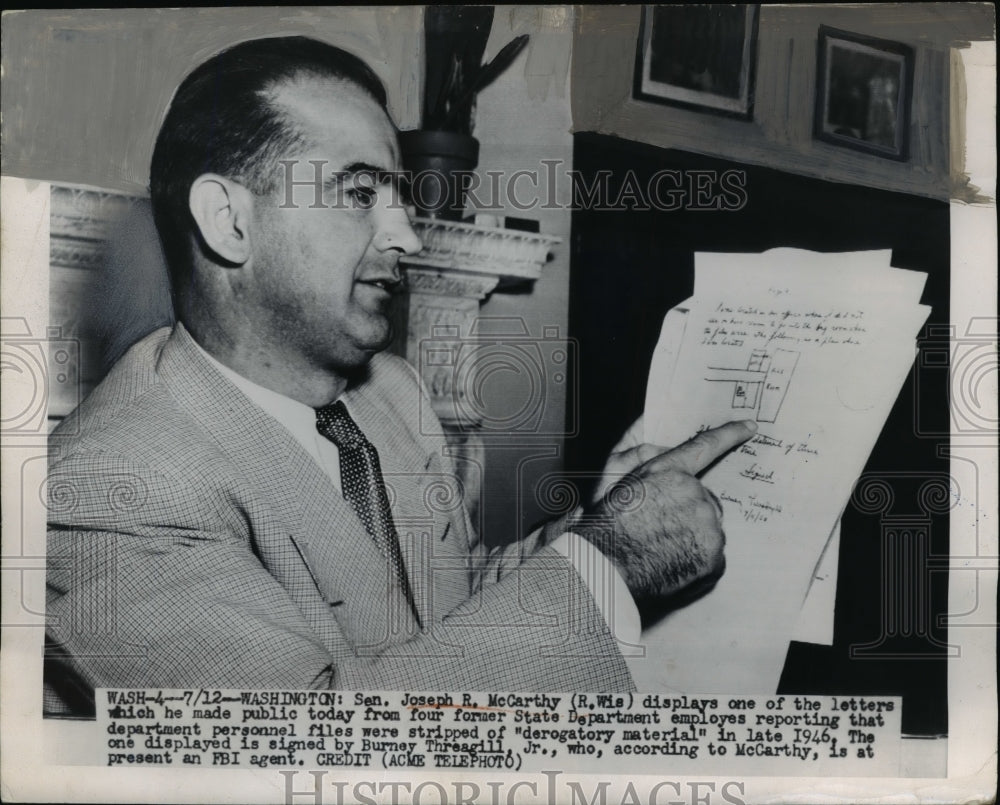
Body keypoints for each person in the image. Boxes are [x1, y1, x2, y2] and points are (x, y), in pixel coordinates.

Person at [44, 36, 755, 716]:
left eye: (399, 197)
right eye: (360, 194)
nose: (409, 237)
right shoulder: (107, 483)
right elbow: (316, 747)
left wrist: (602, 523)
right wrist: (611, 561)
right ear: (229, 222)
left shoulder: (392, 393)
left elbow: (448, 621)